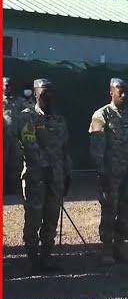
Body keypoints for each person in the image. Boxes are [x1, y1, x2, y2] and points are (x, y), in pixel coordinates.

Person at [17, 78, 72, 273]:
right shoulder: (27, 117)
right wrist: (45, 167)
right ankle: (33, 261)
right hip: (35, 178)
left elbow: (64, 149)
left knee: (51, 219)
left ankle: (47, 258)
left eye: (50, 93)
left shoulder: (59, 119)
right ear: (35, 94)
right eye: (43, 92)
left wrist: (67, 172)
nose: (47, 96)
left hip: (56, 179)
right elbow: (29, 145)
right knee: (33, 219)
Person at [89, 78, 128, 265]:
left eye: (126, 92)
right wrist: (102, 171)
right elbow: (96, 148)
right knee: (110, 210)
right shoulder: (101, 115)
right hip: (111, 174)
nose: (123, 95)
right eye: (120, 91)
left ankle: (121, 247)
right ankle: (106, 250)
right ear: (111, 92)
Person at [3, 76, 24, 195]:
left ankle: (11, 187)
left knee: (14, 162)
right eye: (6, 85)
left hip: (15, 137)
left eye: (10, 85)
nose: (8, 87)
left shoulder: (18, 101)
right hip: (3, 138)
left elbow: (29, 109)